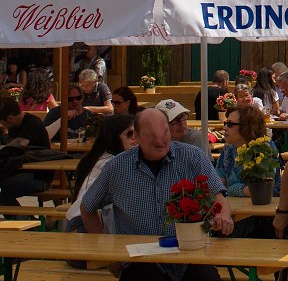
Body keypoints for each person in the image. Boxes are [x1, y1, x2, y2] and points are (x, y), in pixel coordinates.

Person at [81, 109, 234, 281]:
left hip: (189, 256)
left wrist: (223, 214)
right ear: (137, 137)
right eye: (152, 137)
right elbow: (87, 207)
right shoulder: (116, 167)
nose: (161, 141)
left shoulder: (192, 156)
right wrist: (107, 253)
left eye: (165, 134)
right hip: (140, 261)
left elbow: (218, 194)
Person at [64, 114, 136, 234]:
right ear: (114, 138)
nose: (135, 138)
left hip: (79, 221)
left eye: (137, 133)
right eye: (129, 134)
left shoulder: (97, 158)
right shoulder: (113, 164)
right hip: (86, 223)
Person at [215, 105, 280, 198]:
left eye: (230, 124)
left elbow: (259, 190)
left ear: (247, 127)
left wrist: (231, 189)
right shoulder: (228, 150)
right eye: (225, 123)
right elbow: (218, 184)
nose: (224, 128)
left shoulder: (264, 149)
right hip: (235, 207)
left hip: (263, 208)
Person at [0, 97, 52, 206]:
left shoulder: (32, 124)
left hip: (39, 177)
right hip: (22, 173)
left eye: (1, 122)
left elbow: (13, 150)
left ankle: (22, 220)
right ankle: (21, 219)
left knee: (5, 187)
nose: (2, 126)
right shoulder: (15, 126)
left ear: (9, 118)